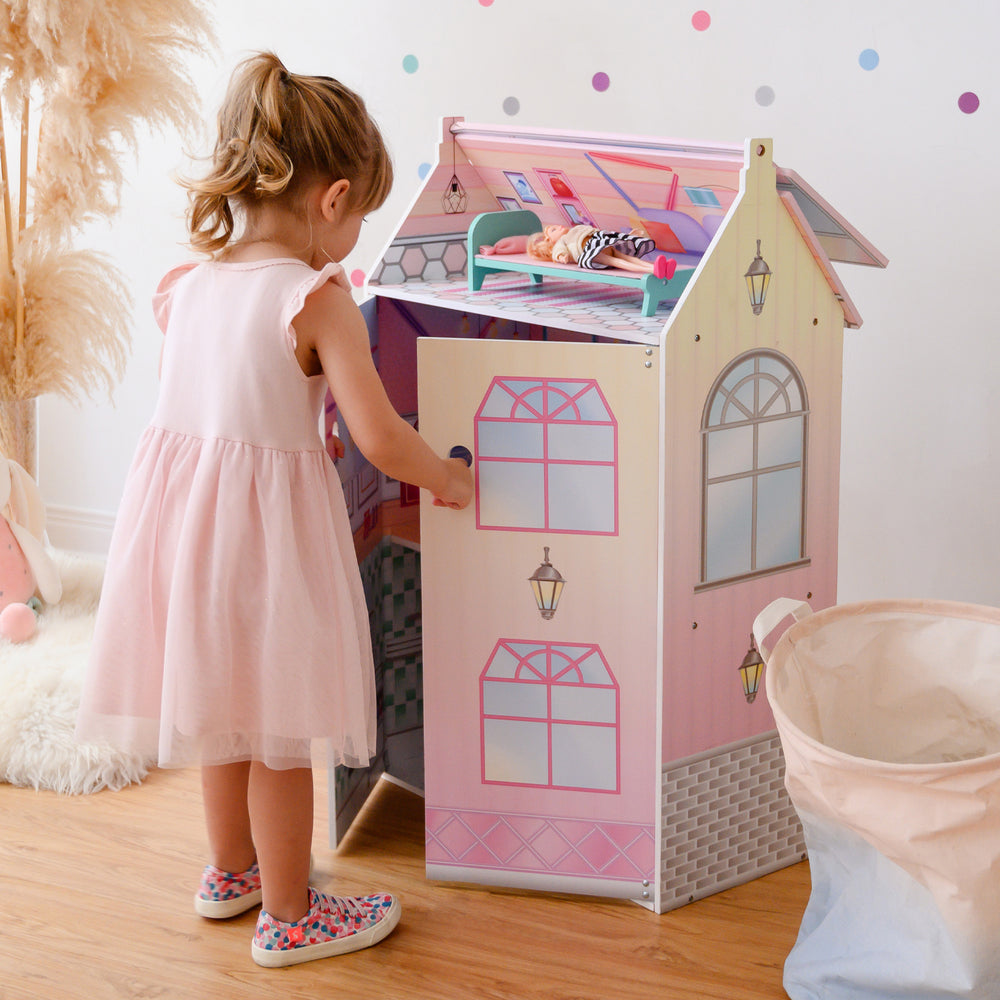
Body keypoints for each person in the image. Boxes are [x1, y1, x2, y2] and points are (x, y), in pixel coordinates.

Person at [75, 51, 473, 969]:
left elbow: (221, 414)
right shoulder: (317, 298)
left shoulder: (187, 283)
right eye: (359, 219)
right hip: (267, 544)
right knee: (283, 730)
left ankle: (231, 871)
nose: (356, 244)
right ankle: (291, 914)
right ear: (330, 200)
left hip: (181, 534)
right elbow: (376, 436)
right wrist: (446, 479)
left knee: (222, 710)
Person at [481, 223, 675, 279]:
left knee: (624, 255)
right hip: (590, 251)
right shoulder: (561, 243)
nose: (558, 227)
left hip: (601, 242)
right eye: (553, 230)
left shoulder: (572, 230)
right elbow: (558, 253)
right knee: (618, 262)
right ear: (550, 240)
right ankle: (652, 271)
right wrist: (562, 256)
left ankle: (659, 267)